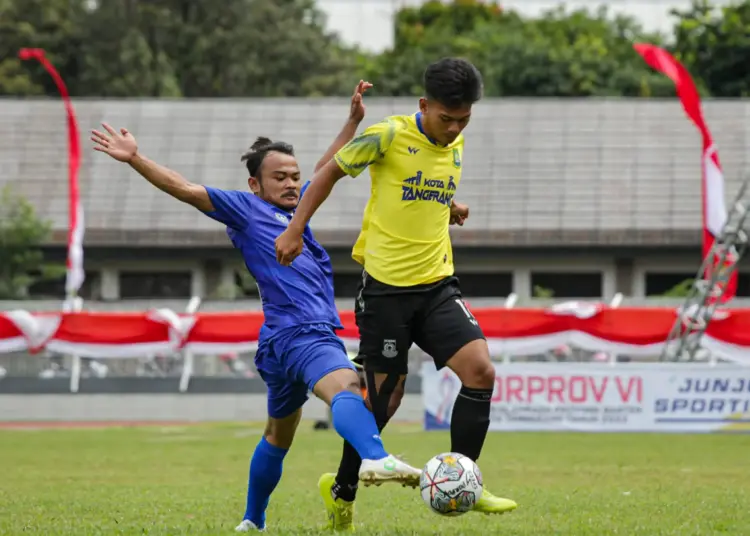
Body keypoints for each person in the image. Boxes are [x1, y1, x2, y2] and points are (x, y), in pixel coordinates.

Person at [90, 81, 421, 533]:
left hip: (278, 342)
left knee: (277, 435)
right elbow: (186, 189)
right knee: (347, 388)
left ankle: (252, 520)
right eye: (279, 177)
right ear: (255, 184)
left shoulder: (298, 209)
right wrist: (135, 158)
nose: (290, 183)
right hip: (304, 333)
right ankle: (377, 459)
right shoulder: (245, 209)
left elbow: (328, 167)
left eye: (293, 176)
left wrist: (352, 122)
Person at [275, 58, 519, 531]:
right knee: (385, 402)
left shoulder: (456, 141)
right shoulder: (386, 135)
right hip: (385, 292)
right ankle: (341, 489)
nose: (453, 129)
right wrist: (296, 229)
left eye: (463, 120)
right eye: (446, 119)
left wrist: (451, 204)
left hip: (438, 285)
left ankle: (465, 478)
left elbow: (422, 183)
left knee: (481, 371)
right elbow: (326, 173)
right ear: (423, 105)